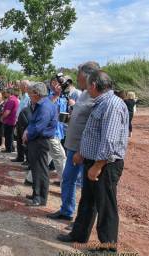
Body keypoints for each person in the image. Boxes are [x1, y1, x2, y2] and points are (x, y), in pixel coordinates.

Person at [57, 70, 129, 252]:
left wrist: (97, 165)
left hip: (105, 164)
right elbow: (93, 133)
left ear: (94, 85)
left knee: (105, 205)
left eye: (88, 85)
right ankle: (79, 235)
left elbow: (109, 140)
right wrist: (82, 152)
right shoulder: (100, 103)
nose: (86, 89)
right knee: (88, 201)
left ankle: (107, 246)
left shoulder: (112, 105)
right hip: (93, 160)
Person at [47, 61, 100, 221]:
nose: (76, 79)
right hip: (72, 146)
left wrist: (81, 150)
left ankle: (82, 221)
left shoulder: (95, 96)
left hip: (83, 149)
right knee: (68, 179)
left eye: (78, 75)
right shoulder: (83, 94)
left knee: (86, 186)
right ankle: (66, 211)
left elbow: (92, 127)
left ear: (87, 76)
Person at [23, 82, 57, 206]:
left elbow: (39, 127)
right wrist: (27, 131)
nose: (29, 95)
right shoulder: (42, 104)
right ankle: (35, 193)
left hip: (40, 141)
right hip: (36, 140)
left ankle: (40, 198)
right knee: (36, 168)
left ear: (36, 94)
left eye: (31, 93)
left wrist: (27, 135)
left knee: (41, 169)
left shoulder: (45, 107)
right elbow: (33, 123)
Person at [48, 76, 68, 185]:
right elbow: (48, 106)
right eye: (55, 83)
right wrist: (57, 93)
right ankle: (65, 184)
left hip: (59, 132)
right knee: (61, 157)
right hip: (52, 133)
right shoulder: (49, 96)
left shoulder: (63, 98)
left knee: (47, 156)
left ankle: (30, 178)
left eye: (60, 83)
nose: (58, 85)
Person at [13, 80, 30, 162]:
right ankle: (20, 157)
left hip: (24, 120)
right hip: (19, 120)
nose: (20, 87)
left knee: (24, 140)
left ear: (25, 87)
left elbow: (26, 109)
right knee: (19, 139)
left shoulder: (27, 97)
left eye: (21, 85)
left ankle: (28, 159)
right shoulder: (22, 96)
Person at [1, 88, 20, 153]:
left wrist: (2, 117)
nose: (5, 94)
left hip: (9, 120)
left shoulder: (11, 100)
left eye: (6, 93)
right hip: (12, 120)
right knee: (10, 135)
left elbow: (7, 111)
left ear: (9, 93)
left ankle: (8, 149)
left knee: (8, 135)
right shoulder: (14, 99)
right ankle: (11, 148)